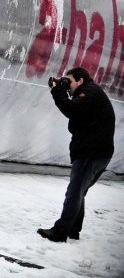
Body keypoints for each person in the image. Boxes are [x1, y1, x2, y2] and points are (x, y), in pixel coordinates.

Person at [37, 67, 115, 243]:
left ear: (80, 81)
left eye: (69, 81)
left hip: (92, 153)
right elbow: (75, 110)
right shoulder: (88, 92)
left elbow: (72, 110)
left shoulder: (90, 92)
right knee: (80, 192)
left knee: (74, 193)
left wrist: (57, 92)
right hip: (96, 153)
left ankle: (60, 233)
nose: (67, 84)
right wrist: (62, 90)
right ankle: (73, 230)